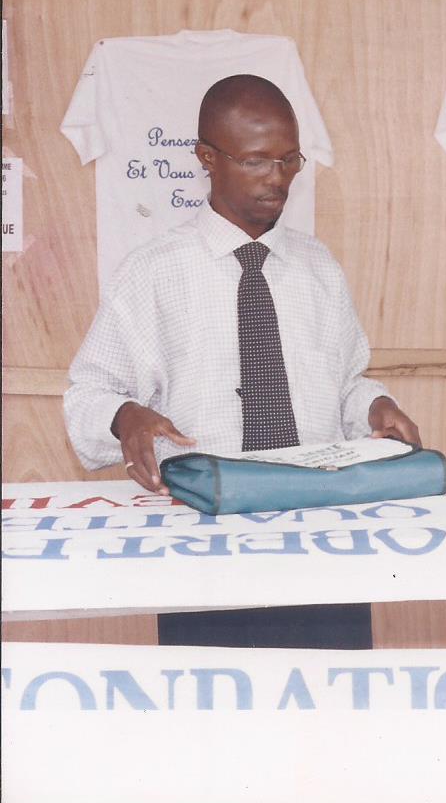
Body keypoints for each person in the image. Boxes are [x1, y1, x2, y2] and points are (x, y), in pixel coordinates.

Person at [65, 73, 421, 648]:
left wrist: (375, 404)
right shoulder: (152, 272)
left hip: (321, 534)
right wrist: (124, 416)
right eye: (257, 161)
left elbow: (344, 383)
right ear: (207, 157)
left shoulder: (318, 268)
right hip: (203, 541)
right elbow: (88, 395)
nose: (277, 180)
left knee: (334, 710)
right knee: (213, 713)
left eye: (289, 161)